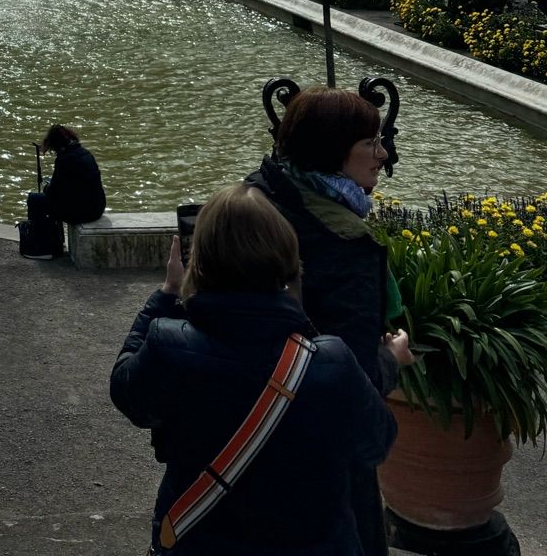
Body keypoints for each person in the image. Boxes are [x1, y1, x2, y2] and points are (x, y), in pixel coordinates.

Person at [111, 185, 397, 555]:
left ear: (200, 260)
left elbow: (124, 390)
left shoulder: (169, 347)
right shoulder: (331, 362)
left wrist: (166, 294)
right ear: (287, 259)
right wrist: (390, 362)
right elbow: (377, 442)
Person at [245, 87, 413, 555]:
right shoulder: (343, 243)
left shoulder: (256, 194)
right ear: (334, 153)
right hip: (321, 466)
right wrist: (392, 357)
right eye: (371, 143)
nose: (383, 155)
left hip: (245, 440)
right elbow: (354, 383)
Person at [24, 123, 106, 256]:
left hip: (83, 213)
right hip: (98, 207)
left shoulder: (64, 160)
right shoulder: (86, 153)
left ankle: (42, 248)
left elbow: (53, 192)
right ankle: (56, 241)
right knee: (53, 201)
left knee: (35, 199)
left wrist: (46, 187)